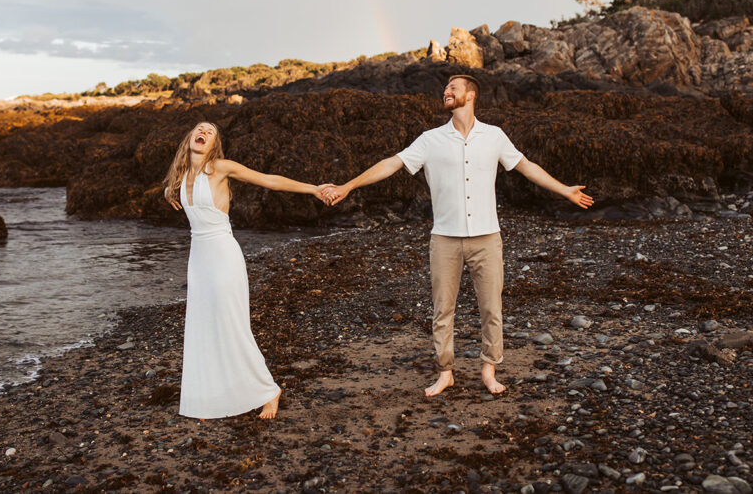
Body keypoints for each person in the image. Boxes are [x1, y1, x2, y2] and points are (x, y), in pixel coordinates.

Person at [322, 75, 593, 396]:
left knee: (491, 308)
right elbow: (391, 164)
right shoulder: (430, 139)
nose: (446, 92)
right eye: (445, 88)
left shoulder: (494, 136)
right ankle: (445, 372)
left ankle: (489, 370)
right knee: (442, 311)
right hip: (444, 240)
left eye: (453, 88)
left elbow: (526, 165)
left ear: (471, 94)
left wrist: (564, 190)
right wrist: (349, 185)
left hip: (487, 238)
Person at [164, 121, 332, 419]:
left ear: (213, 144)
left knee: (232, 325)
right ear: (190, 136)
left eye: (210, 131)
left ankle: (269, 390)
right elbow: (177, 193)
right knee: (204, 326)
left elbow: (269, 180)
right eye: (199, 128)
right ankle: (211, 395)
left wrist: (313, 189)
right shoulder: (181, 177)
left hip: (223, 255)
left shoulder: (220, 168)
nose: (203, 132)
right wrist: (168, 189)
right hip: (198, 259)